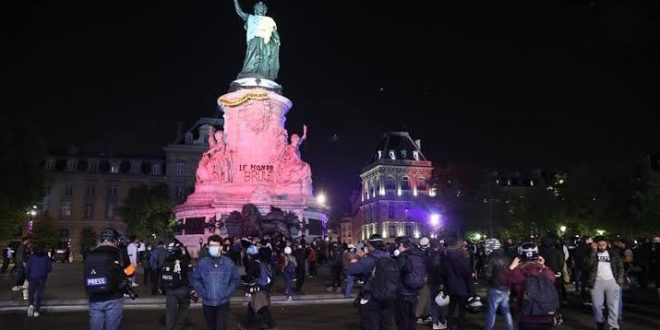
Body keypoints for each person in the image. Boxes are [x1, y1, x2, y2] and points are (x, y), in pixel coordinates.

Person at [84, 228, 134, 330]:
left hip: (94, 296)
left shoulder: (91, 253)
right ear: (115, 240)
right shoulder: (119, 252)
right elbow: (130, 272)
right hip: (114, 296)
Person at [502, 242, 556, 330]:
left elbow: (501, 282)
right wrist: (543, 265)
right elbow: (552, 279)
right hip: (546, 315)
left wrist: (511, 267)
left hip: (526, 316)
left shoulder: (517, 272)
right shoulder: (544, 270)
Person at [348, 234, 397, 330]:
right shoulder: (389, 257)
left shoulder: (370, 259)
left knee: (371, 324)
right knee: (385, 324)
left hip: (372, 296)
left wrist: (358, 255)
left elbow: (351, 270)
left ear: (370, 245)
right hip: (389, 296)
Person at [191, 235, 240, 330]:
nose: (213, 248)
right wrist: (203, 292)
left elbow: (235, 279)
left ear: (221, 247)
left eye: (216, 245)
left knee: (221, 326)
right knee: (211, 327)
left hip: (223, 302)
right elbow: (195, 279)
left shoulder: (228, 263)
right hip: (207, 302)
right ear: (208, 247)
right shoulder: (203, 263)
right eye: (211, 245)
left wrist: (227, 292)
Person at [231, 0, 280, 81]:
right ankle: (248, 72)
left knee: (264, 58)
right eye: (258, 7)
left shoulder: (269, 20)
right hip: (254, 39)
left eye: (261, 8)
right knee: (252, 56)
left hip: (265, 41)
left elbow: (274, 31)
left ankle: (263, 73)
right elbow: (240, 12)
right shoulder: (250, 17)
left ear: (264, 10)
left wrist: (277, 39)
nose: (260, 9)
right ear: (255, 9)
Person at [585, 236, 624, 330]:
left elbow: (620, 266)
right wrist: (593, 251)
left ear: (607, 244)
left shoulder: (613, 254)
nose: (602, 247)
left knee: (613, 306)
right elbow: (587, 266)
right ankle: (600, 321)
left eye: (604, 245)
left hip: (612, 282)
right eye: (599, 245)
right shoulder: (591, 253)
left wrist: (619, 280)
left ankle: (613, 326)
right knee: (596, 305)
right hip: (596, 282)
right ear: (595, 245)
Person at [439, 237, 475, 330]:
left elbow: (443, 273)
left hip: (451, 286)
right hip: (463, 287)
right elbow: (467, 275)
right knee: (462, 310)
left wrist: (445, 285)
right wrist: (472, 291)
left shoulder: (446, 257)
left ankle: (449, 326)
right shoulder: (464, 258)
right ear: (462, 246)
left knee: (451, 308)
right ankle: (460, 327)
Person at [239, 245, 277, 330]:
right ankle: (245, 325)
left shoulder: (254, 263)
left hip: (258, 289)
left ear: (249, 254)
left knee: (262, 308)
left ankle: (271, 325)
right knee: (252, 306)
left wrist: (242, 278)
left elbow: (249, 277)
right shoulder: (263, 262)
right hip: (265, 288)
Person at [394, 236, 426, 330]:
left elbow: (396, 272)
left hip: (403, 291)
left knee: (402, 318)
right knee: (412, 317)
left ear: (400, 245)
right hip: (415, 290)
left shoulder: (403, 256)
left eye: (396, 245)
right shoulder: (418, 254)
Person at [161, 239, 193, 330]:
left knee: (170, 311)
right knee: (183, 307)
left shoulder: (166, 260)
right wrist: (193, 288)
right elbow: (190, 274)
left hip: (169, 289)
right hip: (182, 288)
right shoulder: (184, 260)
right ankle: (178, 327)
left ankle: (169, 327)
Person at [483, 239, 513, 330]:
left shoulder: (490, 258)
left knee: (491, 311)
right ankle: (510, 327)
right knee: (506, 310)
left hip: (495, 287)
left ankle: (489, 328)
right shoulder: (506, 257)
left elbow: (488, 275)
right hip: (506, 287)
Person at [25, 243, 52, 317]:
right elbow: (49, 269)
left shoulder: (31, 257)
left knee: (31, 292)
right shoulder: (46, 258)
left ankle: (30, 305)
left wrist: (27, 277)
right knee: (39, 294)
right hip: (42, 277)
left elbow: (27, 269)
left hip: (32, 277)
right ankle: (37, 311)